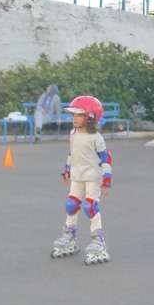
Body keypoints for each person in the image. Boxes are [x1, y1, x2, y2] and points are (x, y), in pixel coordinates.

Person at [50, 96, 113, 265]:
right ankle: (69, 235)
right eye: (73, 115)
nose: (74, 118)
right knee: (71, 204)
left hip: (93, 176)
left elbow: (106, 159)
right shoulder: (73, 133)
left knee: (91, 206)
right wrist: (67, 169)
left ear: (90, 117)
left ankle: (98, 240)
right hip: (77, 176)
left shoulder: (96, 138)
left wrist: (107, 179)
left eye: (78, 115)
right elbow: (72, 153)